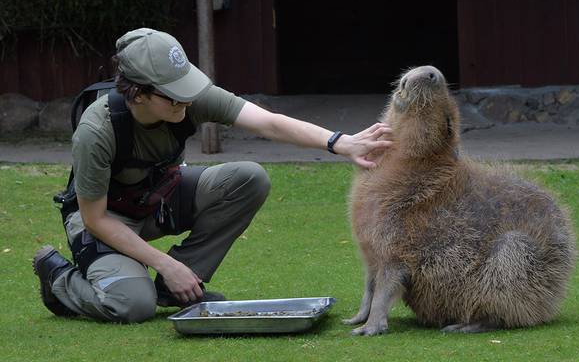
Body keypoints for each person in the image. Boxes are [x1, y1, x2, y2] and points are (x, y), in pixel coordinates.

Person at [32, 28, 392, 323]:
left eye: (186, 90)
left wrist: (339, 142)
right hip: (105, 219)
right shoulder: (98, 130)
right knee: (131, 306)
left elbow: (267, 121)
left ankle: (176, 288)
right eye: (174, 97)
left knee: (249, 179)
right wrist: (164, 263)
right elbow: (94, 218)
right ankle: (60, 280)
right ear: (138, 94)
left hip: (156, 200)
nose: (186, 102)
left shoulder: (186, 99)